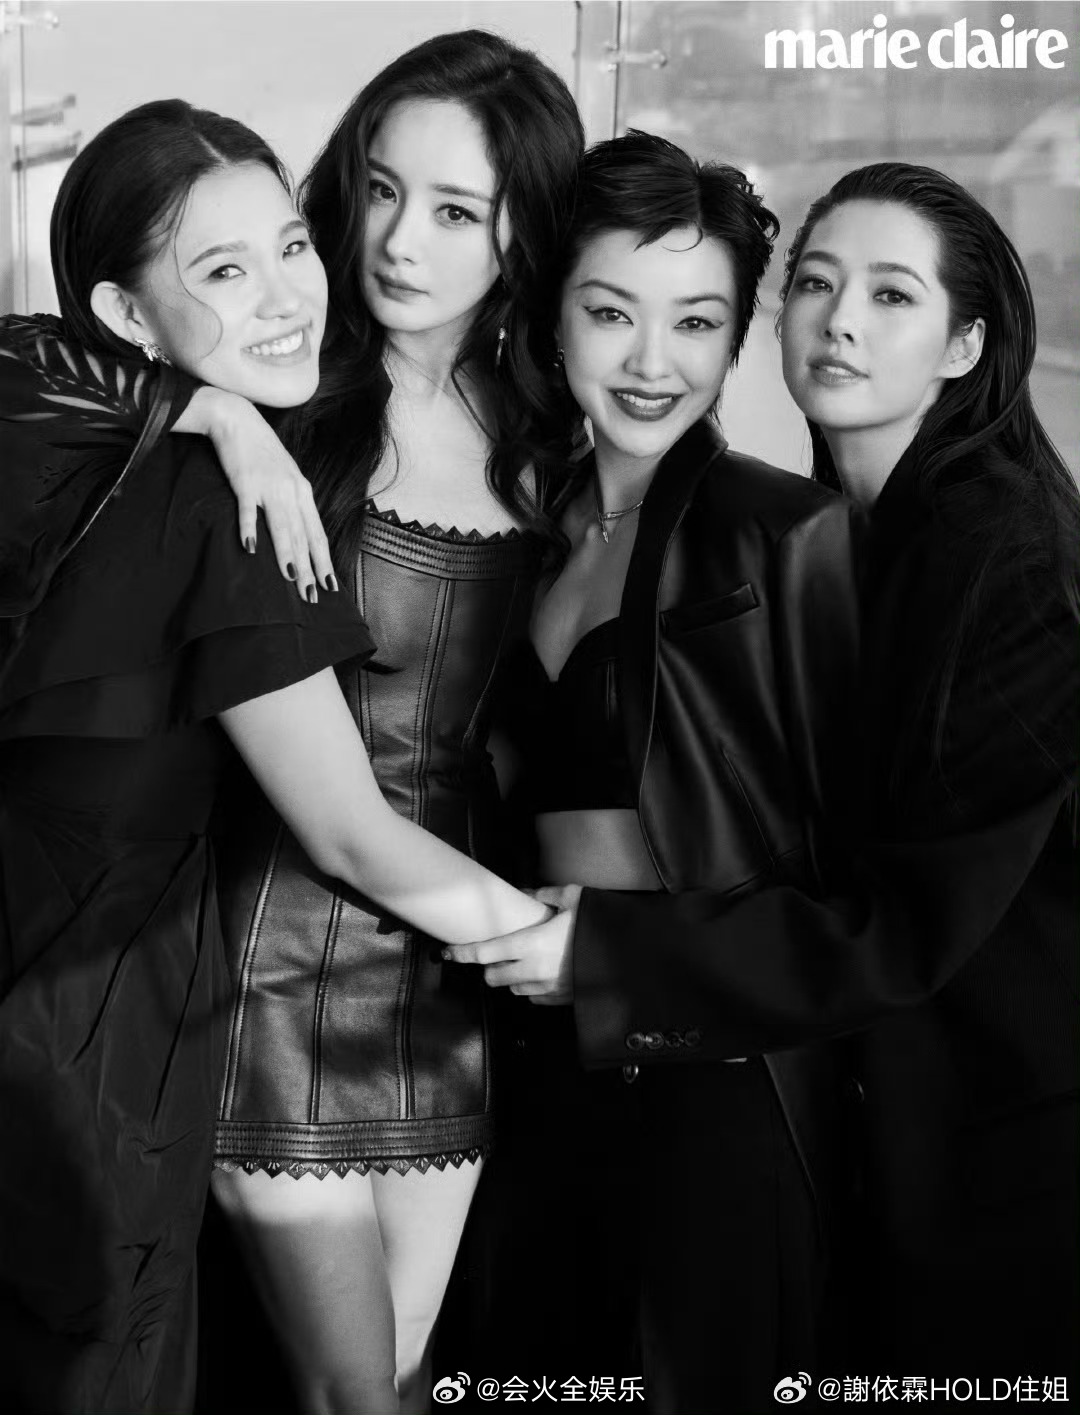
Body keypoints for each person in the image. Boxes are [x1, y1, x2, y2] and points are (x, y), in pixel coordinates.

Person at [1, 33, 585, 1415]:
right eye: (377, 191)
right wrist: (193, 398)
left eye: (456, 210)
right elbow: (37, 360)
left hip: (444, 963)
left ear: (522, 232)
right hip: (262, 948)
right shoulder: (283, 407)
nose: (396, 242)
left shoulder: (548, 425)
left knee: (407, 1373)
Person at [457, 161, 1080, 1389]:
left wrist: (617, 953)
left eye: (892, 295)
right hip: (858, 1085)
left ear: (965, 345)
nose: (841, 321)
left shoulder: (1002, 558)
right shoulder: (858, 525)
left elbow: (900, 918)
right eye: (818, 284)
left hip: (1005, 1117)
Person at [448, 132, 860, 1413]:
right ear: (553, 317)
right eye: (612, 311)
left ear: (736, 341)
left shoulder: (785, 535)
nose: (651, 361)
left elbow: (856, 887)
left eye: (697, 322)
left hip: (713, 1080)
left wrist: (625, 955)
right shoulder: (526, 525)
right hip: (532, 1063)